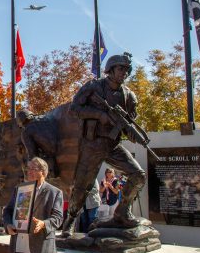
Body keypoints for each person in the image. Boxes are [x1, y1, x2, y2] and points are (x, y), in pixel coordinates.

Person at [62, 53, 147, 237]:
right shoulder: (94, 87)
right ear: (111, 69)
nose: (124, 73)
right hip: (92, 144)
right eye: (120, 69)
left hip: (113, 145)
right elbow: (74, 109)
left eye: (126, 70)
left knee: (138, 175)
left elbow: (129, 123)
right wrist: (99, 114)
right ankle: (70, 220)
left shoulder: (129, 96)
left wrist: (132, 133)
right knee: (82, 186)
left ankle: (122, 212)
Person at [3, 157, 63, 253]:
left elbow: (58, 218)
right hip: (19, 243)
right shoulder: (20, 189)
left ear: (42, 172)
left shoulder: (54, 192)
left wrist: (44, 224)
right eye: (28, 168)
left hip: (39, 244)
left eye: (32, 169)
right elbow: (8, 211)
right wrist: (8, 225)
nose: (28, 171)